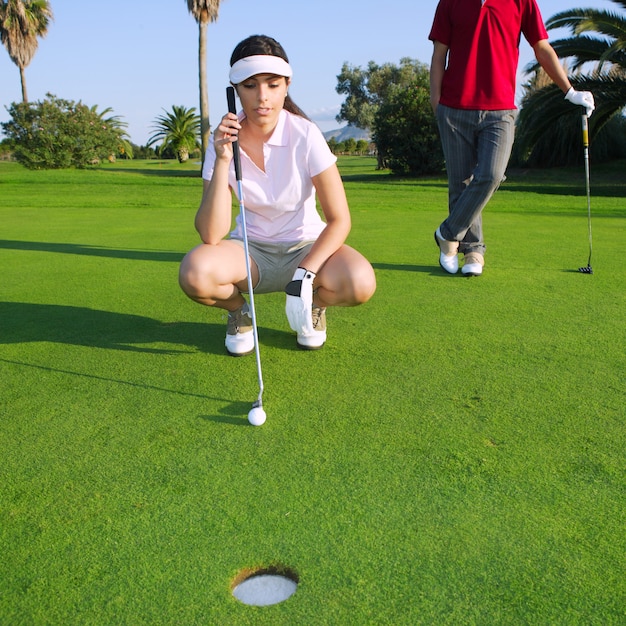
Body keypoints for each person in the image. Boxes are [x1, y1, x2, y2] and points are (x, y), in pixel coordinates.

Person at [179, 35, 376, 355]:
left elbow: (339, 219)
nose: (262, 97)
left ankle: (314, 306)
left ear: (286, 85)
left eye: (272, 85)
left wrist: (305, 276)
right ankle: (239, 313)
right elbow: (210, 233)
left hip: (307, 248)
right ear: (235, 91)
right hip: (250, 254)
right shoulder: (221, 143)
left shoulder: (306, 134)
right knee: (195, 272)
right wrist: (224, 159)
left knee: (361, 282)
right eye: (250, 86)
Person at [429, 0, 595, 276]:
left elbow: (541, 47)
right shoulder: (449, 2)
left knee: (491, 175)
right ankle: (472, 251)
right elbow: (439, 55)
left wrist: (570, 91)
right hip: (454, 108)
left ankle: (447, 234)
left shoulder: (521, 2)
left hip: (501, 110)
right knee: (461, 185)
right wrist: (436, 103)